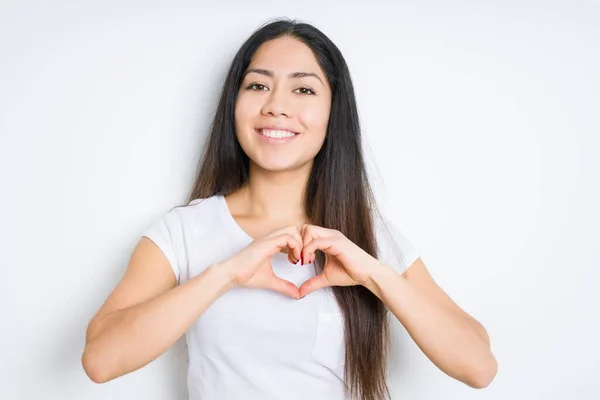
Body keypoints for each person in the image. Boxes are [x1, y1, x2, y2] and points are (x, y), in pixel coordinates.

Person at [81, 18, 497, 400]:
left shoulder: (367, 237)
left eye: (303, 89)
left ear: (334, 112)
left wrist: (374, 274)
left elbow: (478, 367)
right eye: (258, 86)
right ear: (234, 105)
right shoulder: (184, 231)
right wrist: (226, 273)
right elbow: (101, 360)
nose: (276, 106)